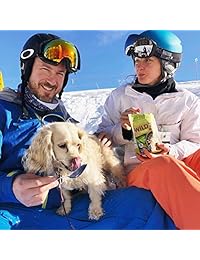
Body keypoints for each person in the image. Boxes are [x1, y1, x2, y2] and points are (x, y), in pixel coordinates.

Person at [0, 32, 176, 230]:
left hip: (72, 208)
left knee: (145, 203)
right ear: (27, 68)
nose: (52, 79)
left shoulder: (67, 123)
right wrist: (11, 187)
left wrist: (100, 148)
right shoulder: (4, 111)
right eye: (45, 69)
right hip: (13, 214)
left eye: (60, 73)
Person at [97, 30, 200, 229]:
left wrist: (171, 150)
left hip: (177, 160)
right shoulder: (120, 97)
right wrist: (123, 129)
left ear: (167, 64)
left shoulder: (187, 101)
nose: (139, 67)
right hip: (136, 171)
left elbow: (195, 141)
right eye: (136, 60)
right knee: (164, 166)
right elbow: (100, 139)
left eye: (147, 61)